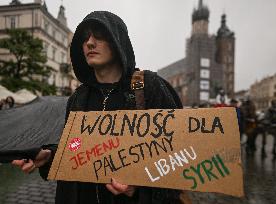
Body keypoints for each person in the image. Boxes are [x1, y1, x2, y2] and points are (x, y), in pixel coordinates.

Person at [12, 11, 183, 204]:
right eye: (85, 38)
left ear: (118, 40)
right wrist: (50, 156)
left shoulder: (149, 87)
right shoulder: (78, 98)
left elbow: (179, 157)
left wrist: (139, 188)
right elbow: (75, 146)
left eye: (99, 35)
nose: (90, 43)